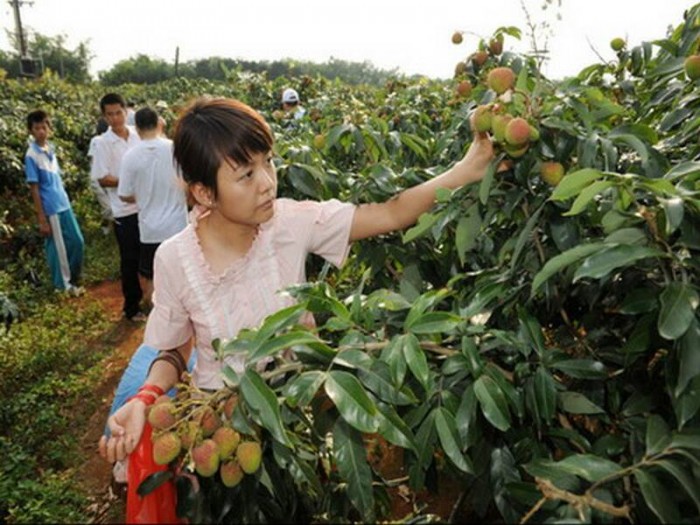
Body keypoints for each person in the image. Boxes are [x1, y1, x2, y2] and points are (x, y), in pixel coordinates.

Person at [99, 97, 496, 466]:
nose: (268, 182)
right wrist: (145, 398)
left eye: (268, 162)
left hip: (298, 416)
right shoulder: (174, 259)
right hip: (220, 430)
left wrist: (467, 169)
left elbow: (391, 214)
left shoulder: (289, 222)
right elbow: (174, 351)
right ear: (204, 192)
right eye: (246, 174)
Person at [117, 106, 188, 306]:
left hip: (150, 230)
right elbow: (188, 183)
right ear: (158, 123)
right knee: (182, 277)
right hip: (178, 227)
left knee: (152, 278)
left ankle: (155, 324)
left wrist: (144, 196)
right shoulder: (176, 149)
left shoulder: (130, 157)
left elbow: (124, 195)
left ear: (137, 128)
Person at [91, 92, 145, 321]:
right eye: (110, 115)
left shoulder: (138, 136)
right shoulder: (102, 143)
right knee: (129, 259)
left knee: (150, 255)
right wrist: (130, 181)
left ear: (126, 111)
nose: (115, 118)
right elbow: (102, 178)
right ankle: (131, 308)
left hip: (145, 207)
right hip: (124, 211)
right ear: (104, 116)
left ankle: (152, 300)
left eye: (118, 113)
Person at [24, 109, 85, 295]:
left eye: (44, 127)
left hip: (63, 203)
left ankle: (72, 279)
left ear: (49, 128)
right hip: (50, 208)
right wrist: (41, 217)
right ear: (31, 131)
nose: (41, 131)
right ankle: (63, 287)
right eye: (37, 128)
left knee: (77, 242)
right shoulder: (31, 156)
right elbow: (34, 188)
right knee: (58, 249)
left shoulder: (50, 149)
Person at [88, 116, 113, 234]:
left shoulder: (104, 140)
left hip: (106, 176)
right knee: (109, 207)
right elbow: (93, 159)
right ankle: (106, 226)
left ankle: (108, 226)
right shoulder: (97, 140)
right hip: (99, 178)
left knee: (110, 205)